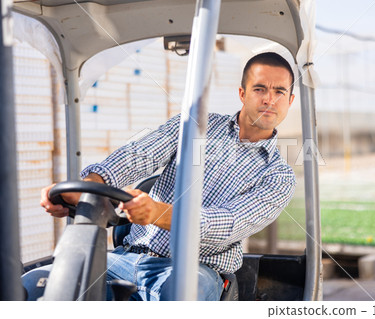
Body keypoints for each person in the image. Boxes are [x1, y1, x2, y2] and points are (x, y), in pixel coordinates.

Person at [38, 52, 297, 301]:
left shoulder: (279, 177)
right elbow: (138, 155)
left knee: (183, 296)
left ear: (290, 100)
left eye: (279, 92)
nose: (269, 100)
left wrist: (158, 213)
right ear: (243, 93)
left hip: (197, 269)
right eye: (260, 89)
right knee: (43, 284)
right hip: (125, 259)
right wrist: (88, 189)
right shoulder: (196, 126)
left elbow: (229, 224)